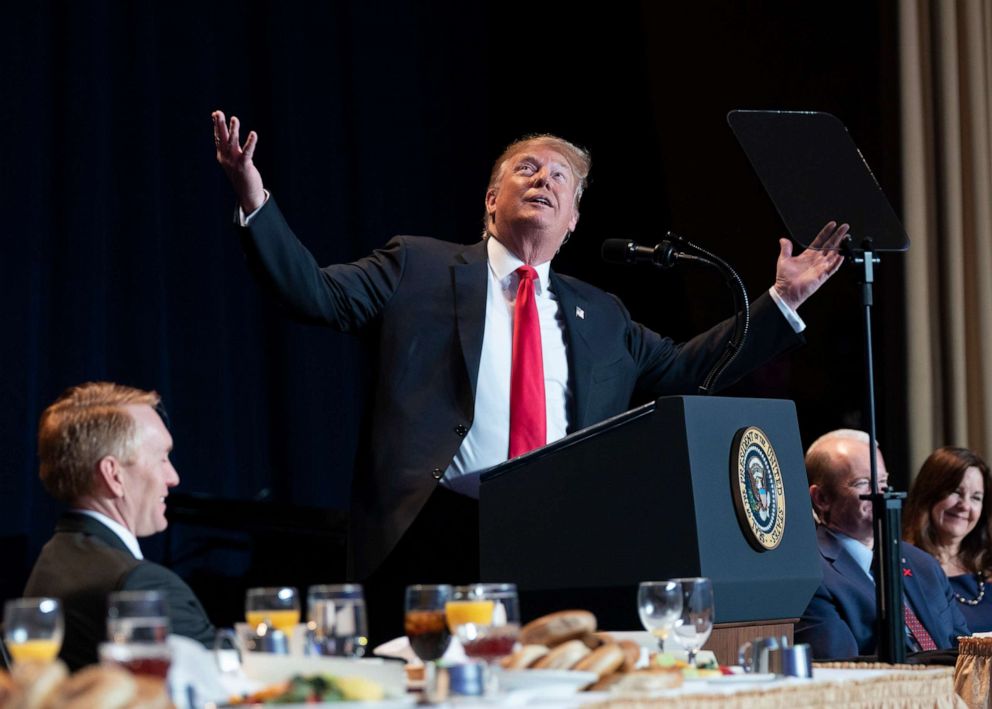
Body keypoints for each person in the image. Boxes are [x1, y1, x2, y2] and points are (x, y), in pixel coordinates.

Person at [212, 110, 848, 641]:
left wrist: (780, 303)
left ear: (573, 219)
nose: (543, 178)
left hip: (560, 541)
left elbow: (684, 369)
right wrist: (253, 198)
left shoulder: (601, 315)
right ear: (492, 200)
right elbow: (313, 295)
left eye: (560, 177)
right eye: (527, 168)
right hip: (435, 534)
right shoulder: (419, 267)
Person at [23, 382, 215, 670]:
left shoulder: (53, 559)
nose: (173, 477)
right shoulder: (140, 585)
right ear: (114, 475)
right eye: (162, 458)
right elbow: (218, 689)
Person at [795, 430, 969, 659]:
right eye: (864, 483)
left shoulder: (923, 564)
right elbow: (842, 669)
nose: (881, 493)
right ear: (821, 498)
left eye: (883, 481)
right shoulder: (810, 575)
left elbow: (967, 654)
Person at [904, 447, 992, 632]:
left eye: (976, 497)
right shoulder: (904, 567)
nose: (965, 506)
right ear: (929, 493)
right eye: (955, 492)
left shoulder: (988, 565)